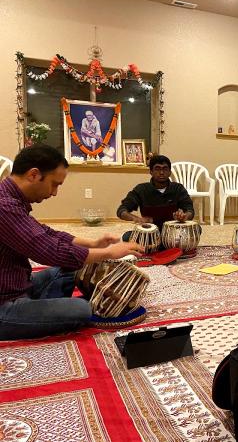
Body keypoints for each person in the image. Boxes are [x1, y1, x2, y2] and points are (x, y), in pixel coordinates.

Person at [0, 144, 144, 340]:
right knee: (81, 309)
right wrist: (110, 253)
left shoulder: (10, 198)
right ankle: (37, 313)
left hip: (17, 285)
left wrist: (93, 244)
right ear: (33, 175)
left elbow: (45, 232)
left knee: (68, 271)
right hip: (4, 305)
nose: (55, 192)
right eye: (55, 183)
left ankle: (40, 311)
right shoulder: (5, 206)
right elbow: (48, 251)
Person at [117, 155, 194, 231]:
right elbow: (121, 210)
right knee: (127, 237)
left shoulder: (178, 188)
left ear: (170, 172)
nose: (161, 172)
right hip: (150, 231)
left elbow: (190, 210)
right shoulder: (141, 189)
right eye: (157, 169)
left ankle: (165, 243)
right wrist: (136, 218)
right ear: (151, 172)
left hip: (173, 232)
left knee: (196, 229)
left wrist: (184, 217)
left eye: (165, 169)